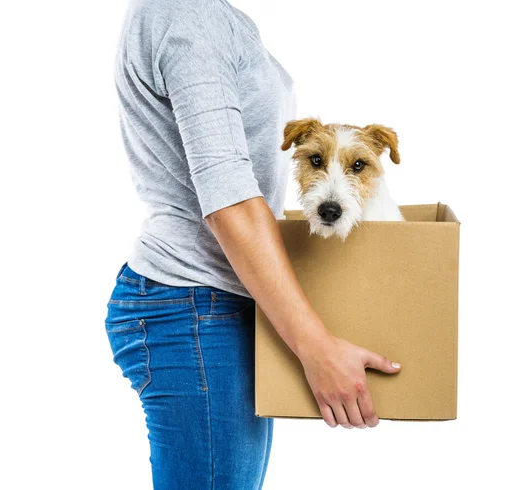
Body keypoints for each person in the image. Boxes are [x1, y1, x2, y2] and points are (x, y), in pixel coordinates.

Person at [104, 0, 402, 488]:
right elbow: (230, 201)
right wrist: (317, 347)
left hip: (224, 299)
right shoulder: (184, 15)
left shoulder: (223, 17)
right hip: (192, 302)